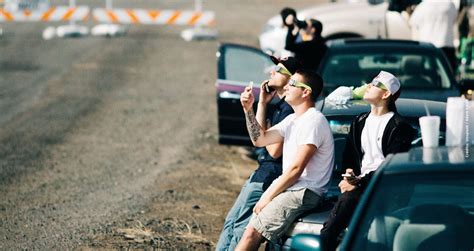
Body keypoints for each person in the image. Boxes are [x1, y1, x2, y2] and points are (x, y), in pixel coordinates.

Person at [235, 69, 335, 250]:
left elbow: (296, 169)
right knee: (254, 233)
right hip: (292, 188)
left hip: (304, 191)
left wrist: (267, 196)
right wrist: (249, 109)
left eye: (293, 84)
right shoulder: (293, 119)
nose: (287, 86)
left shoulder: (314, 121)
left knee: (251, 234)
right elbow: (260, 139)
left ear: (306, 92)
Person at [320, 71, 417, 251]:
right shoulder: (360, 120)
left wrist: (358, 183)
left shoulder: (400, 126)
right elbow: (350, 156)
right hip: (358, 185)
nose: (369, 86)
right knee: (328, 234)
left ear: (386, 94)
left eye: (375, 84)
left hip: (383, 190)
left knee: (331, 233)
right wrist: (348, 175)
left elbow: (392, 165)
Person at [215, 56, 301, 251]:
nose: (271, 72)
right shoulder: (279, 105)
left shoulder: (290, 110)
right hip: (261, 172)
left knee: (239, 227)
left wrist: (251, 113)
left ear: (291, 79)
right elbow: (259, 139)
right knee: (231, 221)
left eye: (279, 70)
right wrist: (261, 103)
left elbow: (273, 149)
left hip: (269, 177)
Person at [410, 0, 457, 73]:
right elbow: (454, 20)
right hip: (446, 45)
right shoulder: (450, 5)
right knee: (449, 73)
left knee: (430, 74)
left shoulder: (422, 6)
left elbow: (413, 23)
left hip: (428, 47)